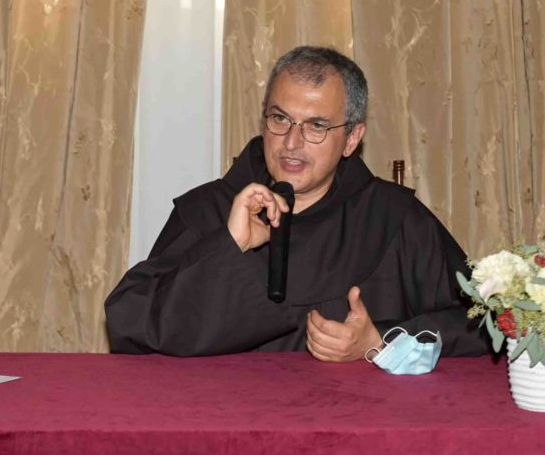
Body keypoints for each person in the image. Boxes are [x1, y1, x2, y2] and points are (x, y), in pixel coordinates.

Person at [106, 46, 486, 360]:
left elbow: (487, 324)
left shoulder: (392, 218)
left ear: (352, 139)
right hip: (228, 419)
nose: (291, 142)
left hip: (356, 423)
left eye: (316, 125)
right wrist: (227, 246)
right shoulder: (208, 209)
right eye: (280, 118)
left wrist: (382, 341)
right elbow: (129, 324)